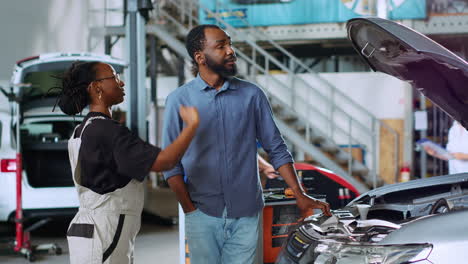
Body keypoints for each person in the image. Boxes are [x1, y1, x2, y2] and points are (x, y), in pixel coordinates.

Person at [162, 24, 331, 264]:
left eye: (230, 44)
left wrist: (299, 193)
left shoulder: (252, 95)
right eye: (221, 46)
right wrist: (190, 210)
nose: (231, 51)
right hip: (202, 212)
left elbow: (277, 148)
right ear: (200, 57)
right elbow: (170, 163)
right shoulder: (179, 100)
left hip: (247, 212)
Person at [57, 61, 199, 264]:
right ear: (96, 87)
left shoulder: (84, 128)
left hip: (93, 228)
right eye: (114, 77)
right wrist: (192, 126)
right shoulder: (106, 131)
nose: (121, 82)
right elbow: (164, 162)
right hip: (105, 231)